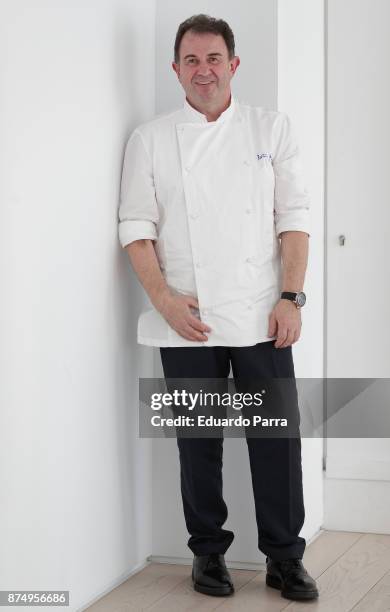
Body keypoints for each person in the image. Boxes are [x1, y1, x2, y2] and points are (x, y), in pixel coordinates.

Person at [118, 13, 319, 602]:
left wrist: (291, 296)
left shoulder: (271, 128)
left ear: (233, 65)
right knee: (197, 444)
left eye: (213, 59)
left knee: (276, 440)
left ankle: (286, 558)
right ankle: (208, 553)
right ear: (175, 69)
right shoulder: (150, 139)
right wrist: (165, 300)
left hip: (263, 312)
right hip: (187, 318)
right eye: (191, 60)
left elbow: (295, 220)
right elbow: (136, 226)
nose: (203, 71)